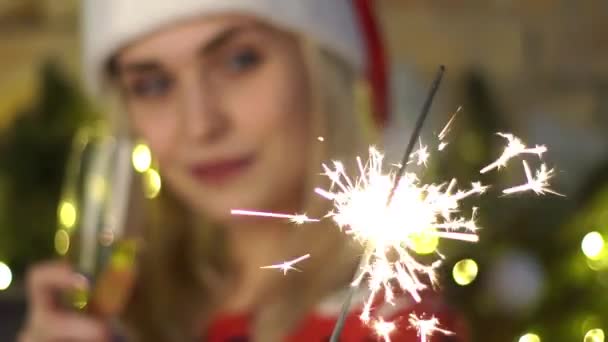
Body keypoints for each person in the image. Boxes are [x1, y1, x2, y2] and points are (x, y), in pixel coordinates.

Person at [19, 1, 468, 341]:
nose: (200, 125)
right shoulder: (128, 307)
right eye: (152, 85)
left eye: (240, 61)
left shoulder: (393, 324)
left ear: (320, 70)